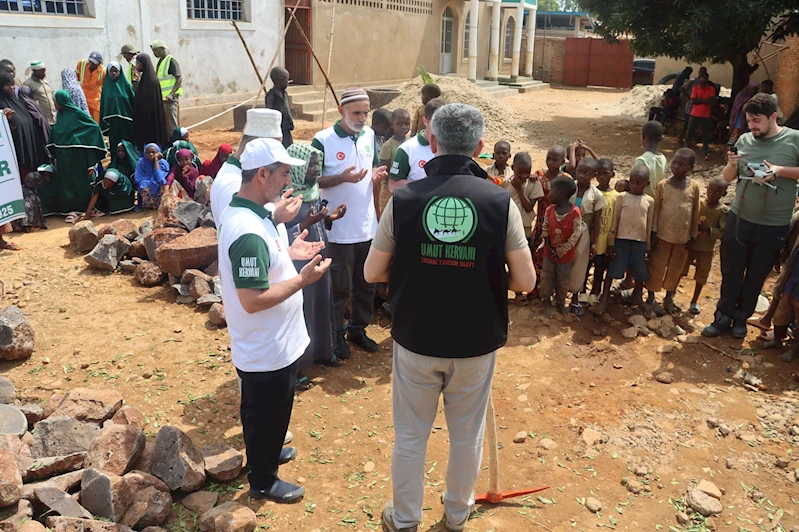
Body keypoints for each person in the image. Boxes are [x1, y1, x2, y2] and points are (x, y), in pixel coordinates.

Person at [363, 102, 536, 532]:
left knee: (410, 437)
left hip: (415, 339)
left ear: (432, 142)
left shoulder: (403, 200)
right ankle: (455, 517)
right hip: (476, 343)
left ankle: (403, 520)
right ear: (479, 147)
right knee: (466, 436)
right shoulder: (500, 201)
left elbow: (371, 273)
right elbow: (526, 281)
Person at [217, 137, 329, 504]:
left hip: (276, 342)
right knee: (265, 408)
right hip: (265, 346)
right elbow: (252, 299)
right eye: (282, 174)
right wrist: (302, 279)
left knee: (272, 408)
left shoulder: (256, 215)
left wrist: (291, 252)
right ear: (261, 174)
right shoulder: (247, 231)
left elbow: (268, 261)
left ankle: (267, 449)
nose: (287, 182)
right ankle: (263, 479)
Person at [703, 93, 799, 338]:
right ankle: (722, 317)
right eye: (749, 121)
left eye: (757, 121)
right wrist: (733, 163)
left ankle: (740, 320)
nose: (752, 126)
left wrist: (779, 171)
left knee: (756, 276)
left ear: (773, 117)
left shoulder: (794, 139)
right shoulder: (745, 140)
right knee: (731, 272)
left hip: (774, 225)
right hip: (740, 219)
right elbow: (726, 178)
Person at [310, 87, 388, 360]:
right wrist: (340, 178)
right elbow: (312, 181)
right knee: (339, 287)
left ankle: (358, 329)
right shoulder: (322, 141)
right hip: (338, 229)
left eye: (366, 112)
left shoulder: (369, 135)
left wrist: (377, 176)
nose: (363, 117)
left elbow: (373, 169)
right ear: (341, 111)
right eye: (356, 112)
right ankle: (336, 337)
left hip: (365, 225)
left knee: (366, 283)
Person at [284, 143, 348, 378]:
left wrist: (329, 217)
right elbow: (282, 233)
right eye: (309, 164)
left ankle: (324, 351)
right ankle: (300, 366)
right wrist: (308, 223)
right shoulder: (288, 196)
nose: (315, 168)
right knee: (304, 310)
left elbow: (318, 222)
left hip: (320, 256)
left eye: (316, 163)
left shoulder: (312, 191)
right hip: (299, 265)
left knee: (323, 303)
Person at [645, 148, 701, 314]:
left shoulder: (694, 187)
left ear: (690, 167)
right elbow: (656, 210)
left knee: (676, 269)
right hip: (662, 236)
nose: (676, 166)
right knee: (656, 267)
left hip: (681, 238)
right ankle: (651, 297)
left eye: (682, 164)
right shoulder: (664, 185)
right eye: (674, 162)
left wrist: (692, 235)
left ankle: (669, 297)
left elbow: (695, 212)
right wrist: (653, 233)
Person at [595, 166, 655, 315]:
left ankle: (638, 297)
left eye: (639, 183)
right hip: (621, 241)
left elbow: (649, 224)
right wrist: (611, 242)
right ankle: (604, 297)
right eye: (632, 182)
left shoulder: (649, 201)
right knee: (613, 269)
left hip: (639, 242)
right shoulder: (622, 197)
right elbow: (615, 220)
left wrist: (648, 245)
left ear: (646, 183)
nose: (635, 186)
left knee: (639, 271)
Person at [41, 90, 107, 216]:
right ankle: (70, 210)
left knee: (80, 181)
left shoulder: (77, 113)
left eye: (55, 102)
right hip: (64, 156)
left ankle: (84, 207)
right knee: (66, 182)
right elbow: (57, 133)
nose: (54, 105)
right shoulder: (60, 116)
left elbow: (93, 127)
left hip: (77, 155)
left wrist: (79, 140)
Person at [683, 177, 727, 314]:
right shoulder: (699, 204)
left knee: (701, 275)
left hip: (706, 250)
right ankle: (670, 295)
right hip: (690, 245)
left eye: (717, 192)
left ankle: (694, 301)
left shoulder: (723, 211)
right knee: (681, 269)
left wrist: (709, 230)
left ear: (723, 194)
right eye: (710, 190)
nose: (712, 194)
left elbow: (722, 232)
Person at [530, 145, 569, 298]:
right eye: (548, 158)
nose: (551, 162)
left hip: (558, 223)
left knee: (553, 255)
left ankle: (550, 289)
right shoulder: (539, 176)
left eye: (555, 159)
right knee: (537, 252)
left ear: (562, 161)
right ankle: (535, 287)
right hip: (541, 222)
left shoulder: (566, 179)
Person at [504, 152, 543, 305]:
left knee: (519, 262)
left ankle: (519, 293)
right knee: (503, 260)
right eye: (520, 174)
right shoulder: (505, 182)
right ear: (513, 168)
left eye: (527, 173)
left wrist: (520, 189)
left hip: (524, 230)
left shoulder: (534, 184)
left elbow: (528, 207)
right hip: (506, 228)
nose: (524, 177)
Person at [541, 176, 583, 317]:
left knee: (563, 280)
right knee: (547, 277)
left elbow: (576, 234)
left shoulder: (575, 212)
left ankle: (560, 302)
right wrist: (549, 247)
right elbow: (545, 228)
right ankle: (545, 300)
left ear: (561, 193)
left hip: (566, 256)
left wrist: (562, 250)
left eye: (551, 190)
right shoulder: (549, 210)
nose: (549, 193)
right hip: (549, 253)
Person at [570, 158, 607, 308]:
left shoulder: (597, 195)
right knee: (562, 261)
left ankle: (574, 295)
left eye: (587, 173)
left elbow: (597, 221)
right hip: (566, 228)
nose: (582, 175)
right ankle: (558, 294)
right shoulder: (569, 187)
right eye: (580, 171)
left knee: (579, 263)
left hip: (584, 233)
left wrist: (594, 243)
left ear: (594, 175)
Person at [388, 98, 445, 192]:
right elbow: (393, 185)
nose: (441, 127)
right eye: (436, 123)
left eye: (445, 123)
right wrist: (426, 183)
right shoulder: (407, 149)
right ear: (425, 121)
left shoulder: (452, 148)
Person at [0, 72, 49, 176]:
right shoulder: (2, 105)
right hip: (18, 152)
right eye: (7, 85)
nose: (12, 87)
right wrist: (7, 120)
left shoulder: (18, 102)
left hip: (32, 147)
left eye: (12, 84)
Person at [591, 159, 619, 302]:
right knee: (586, 267)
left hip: (605, 241)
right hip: (590, 240)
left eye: (605, 174)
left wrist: (611, 242)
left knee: (600, 268)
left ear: (612, 174)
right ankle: (581, 292)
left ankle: (595, 292)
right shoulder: (591, 192)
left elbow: (615, 221)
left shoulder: (616, 197)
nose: (602, 177)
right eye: (599, 174)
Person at [99, 61, 135, 166]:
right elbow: (103, 106)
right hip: (113, 125)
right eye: (111, 71)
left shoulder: (127, 86)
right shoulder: (106, 87)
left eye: (116, 71)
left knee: (127, 144)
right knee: (115, 146)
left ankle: (130, 164)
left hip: (126, 123)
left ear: (120, 72)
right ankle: (116, 165)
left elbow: (133, 103)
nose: (114, 73)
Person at [377, 109, 410, 216]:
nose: (404, 127)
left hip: (406, 187)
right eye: (399, 124)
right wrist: (392, 188)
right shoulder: (388, 145)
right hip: (389, 190)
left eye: (407, 124)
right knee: (387, 217)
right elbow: (384, 168)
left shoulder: (411, 143)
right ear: (392, 125)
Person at [131, 54, 169, 150]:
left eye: (138, 63)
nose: (136, 66)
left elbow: (149, 104)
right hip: (144, 119)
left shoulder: (152, 82)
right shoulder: (145, 79)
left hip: (150, 120)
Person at [151, 40, 182, 135]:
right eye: (153, 51)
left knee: (172, 125)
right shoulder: (160, 62)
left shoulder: (171, 61)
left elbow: (179, 78)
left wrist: (171, 94)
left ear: (162, 49)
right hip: (162, 99)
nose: (154, 53)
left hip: (170, 99)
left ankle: (175, 145)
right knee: (166, 125)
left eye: (156, 51)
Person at [685, 71, 716, 160]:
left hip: (705, 115)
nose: (703, 82)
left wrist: (700, 100)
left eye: (705, 80)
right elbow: (693, 101)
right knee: (689, 133)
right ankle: (686, 151)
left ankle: (705, 153)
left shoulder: (711, 89)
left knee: (705, 135)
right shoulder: (695, 88)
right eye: (702, 80)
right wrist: (705, 101)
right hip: (694, 113)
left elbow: (712, 102)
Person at [635, 121, 668, 198]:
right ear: (661, 138)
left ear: (643, 136)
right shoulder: (663, 159)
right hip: (655, 200)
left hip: (641, 200)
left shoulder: (641, 160)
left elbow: (635, 185)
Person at [134, 143, 169, 210]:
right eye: (148, 152)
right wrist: (149, 181)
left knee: (161, 186)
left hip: (158, 186)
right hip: (145, 185)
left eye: (154, 152)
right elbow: (137, 178)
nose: (151, 154)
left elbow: (160, 179)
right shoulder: (141, 162)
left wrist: (156, 161)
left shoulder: (163, 163)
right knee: (143, 186)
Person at [11, 169, 47, 233]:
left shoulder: (20, 189)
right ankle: (27, 227)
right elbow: (36, 212)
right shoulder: (33, 196)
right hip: (26, 223)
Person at [265, 67, 294, 148]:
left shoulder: (285, 93)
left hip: (286, 128)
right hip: (277, 131)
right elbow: (269, 114)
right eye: (287, 79)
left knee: (289, 148)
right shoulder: (271, 95)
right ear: (281, 80)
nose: (288, 82)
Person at [76, 51, 106, 123]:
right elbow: (75, 78)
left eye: (94, 63)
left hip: (95, 101)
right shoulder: (81, 64)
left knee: (97, 122)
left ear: (99, 64)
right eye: (90, 61)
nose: (91, 64)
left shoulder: (103, 71)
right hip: (82, 98)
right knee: (85, 121)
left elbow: (105, 87)